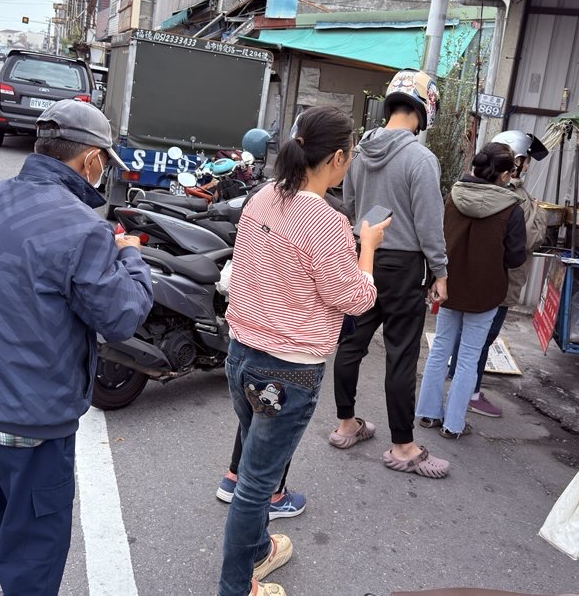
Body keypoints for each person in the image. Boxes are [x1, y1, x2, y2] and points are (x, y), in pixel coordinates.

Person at [0, 99, 154, 596]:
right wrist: (132, 260)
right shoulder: (85, 230)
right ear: (91, 161)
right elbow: (121, 316)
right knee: (30, 568)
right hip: (36, 427)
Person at [218, 106, 385, 596]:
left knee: (252, 462)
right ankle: (235, 587)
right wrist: (368, 245)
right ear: (336, 157)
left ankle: (257, 552)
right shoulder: (327, 222)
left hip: (241, 354)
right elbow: (355, 297)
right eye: (350, 154)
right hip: (287, 371)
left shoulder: (263, 197)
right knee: (255, 485)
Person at [330, 69, 450, 478]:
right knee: (400, 355)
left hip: (363, 253)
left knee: (351, 343)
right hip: (404, 268)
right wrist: (440, 271)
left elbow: (348, 202)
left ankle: (346, 424)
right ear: (425, 109)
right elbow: (430, 222)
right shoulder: (420, 158)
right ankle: (403, 446)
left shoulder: (359, 153)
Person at [416, 143, 527, 439]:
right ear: (504, 174)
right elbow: (516, 258)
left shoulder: (452, 197)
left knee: (440, 348)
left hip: (448, 284)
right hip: (485, 292)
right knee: (468, 357)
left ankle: (427, 414)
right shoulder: (511, 209)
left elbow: (435, 237)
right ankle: (453, 425)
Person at [447, 131, 548, 419]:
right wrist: (539, 215)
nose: (526, 166)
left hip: (463, 276)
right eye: (524, 160)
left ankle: (456, 385)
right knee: (480, 340)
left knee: (456, 339)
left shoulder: (464, 190)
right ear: (513, 163)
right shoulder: (510, 199)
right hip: (498, 282)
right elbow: (524, 243)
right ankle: (469, 394)